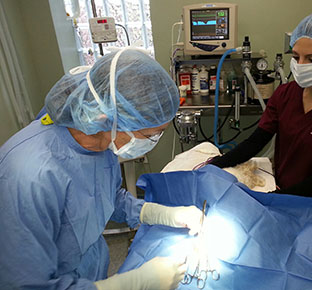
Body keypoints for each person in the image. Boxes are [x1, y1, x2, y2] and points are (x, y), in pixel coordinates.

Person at [0, 48, 203, 290]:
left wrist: (161, 214)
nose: (151, 142)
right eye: (150, 134)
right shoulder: (29, 177)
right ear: (112, 119)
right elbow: (24, 285)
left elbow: (103, 197)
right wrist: (130, 284)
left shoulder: (101, 141)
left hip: (89, 269)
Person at [209, 12, 312, 287]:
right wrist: (217, 163)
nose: (300, 65)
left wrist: (275, 201)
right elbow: (256, 139)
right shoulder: (286, 94)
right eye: (296, 57)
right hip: (282, 194)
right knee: (276, 261)